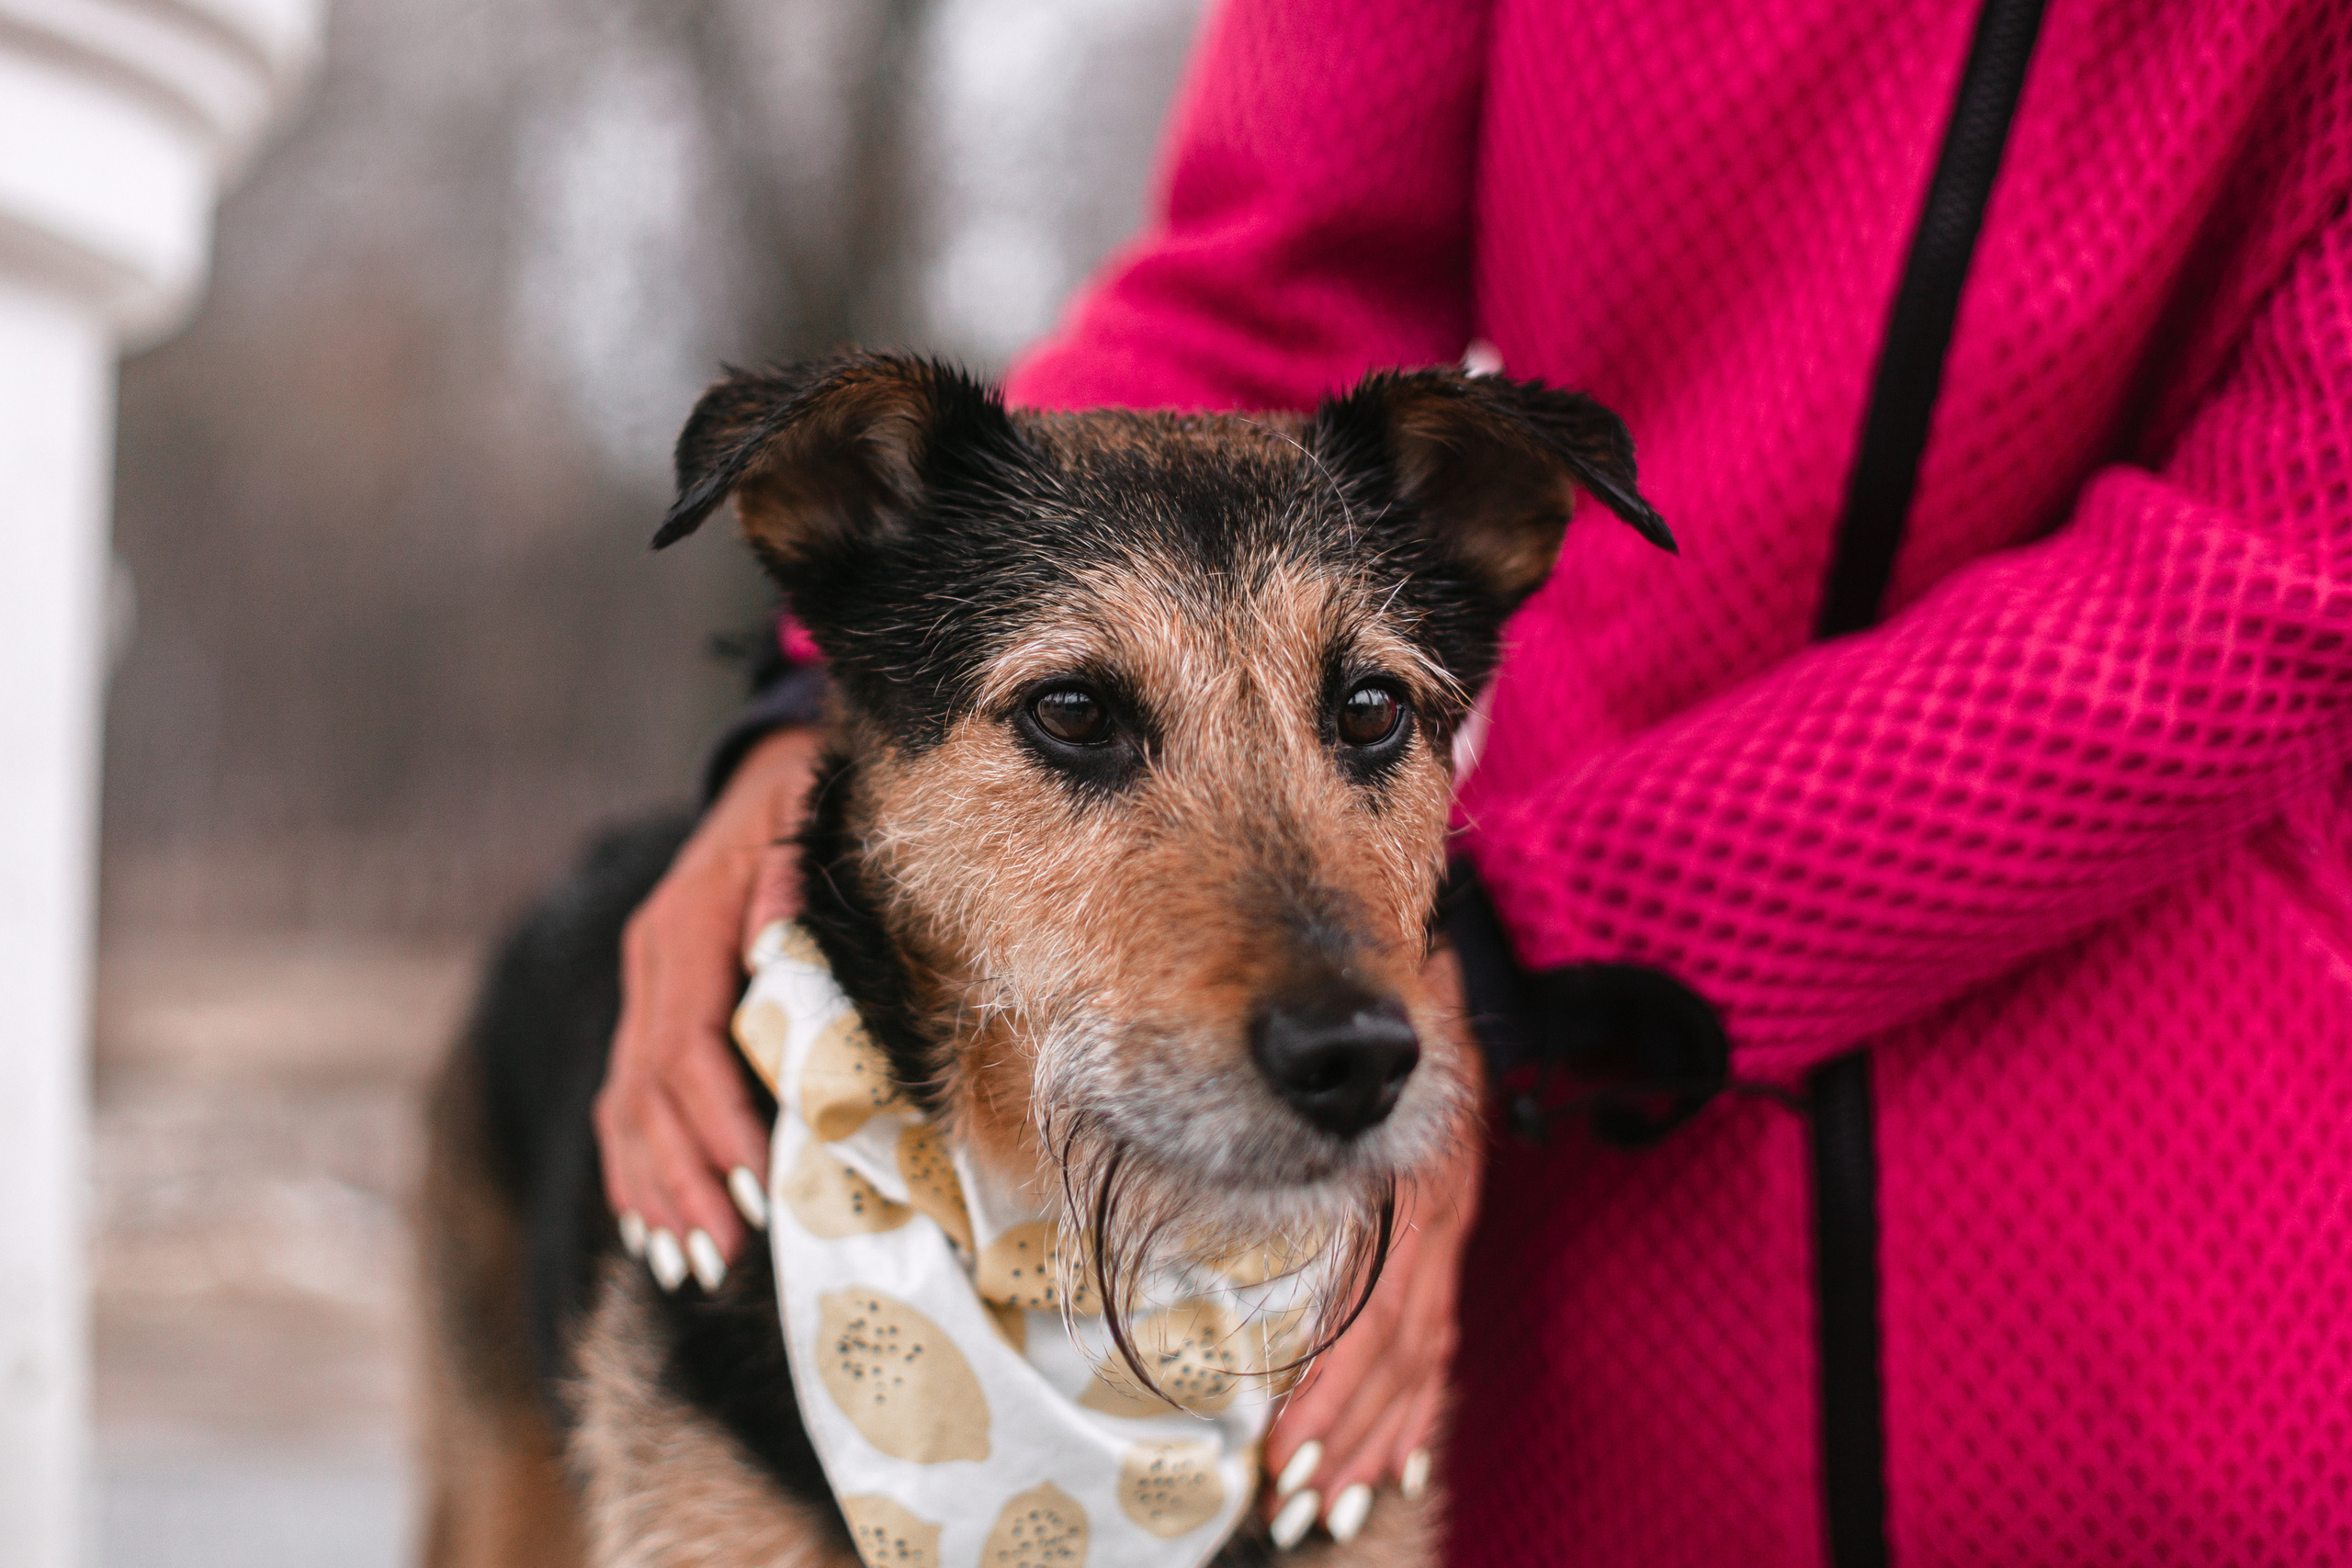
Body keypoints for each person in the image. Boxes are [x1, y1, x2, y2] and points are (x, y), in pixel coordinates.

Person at [596, 0, 2352, 1559]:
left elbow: (2297, 567)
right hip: (1573, 1315)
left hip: (2175, 1269)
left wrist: (1530, 945)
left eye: (1371, 719)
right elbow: (1265, 285)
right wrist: (812, 724)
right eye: (1076, 719)